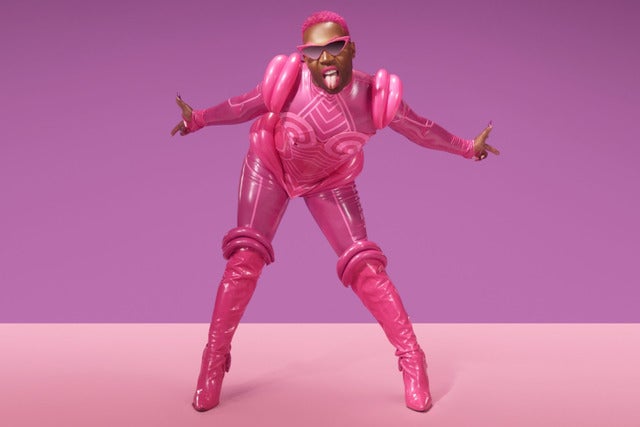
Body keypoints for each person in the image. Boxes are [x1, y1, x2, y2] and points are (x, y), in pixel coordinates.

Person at [171, 10, 498, 413]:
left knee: (365, 266)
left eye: (335, 47)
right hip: (271, 164)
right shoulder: (287, 83)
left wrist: (467, 148)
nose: (325, 58)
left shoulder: (374, 97)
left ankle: (413, 360)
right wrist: (198, 119)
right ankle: (213, 361)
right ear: (303, 58)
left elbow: (421, 129)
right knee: (245, 257)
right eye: (314, 51)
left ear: (351, 48)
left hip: (331, 178)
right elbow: (243, 106)